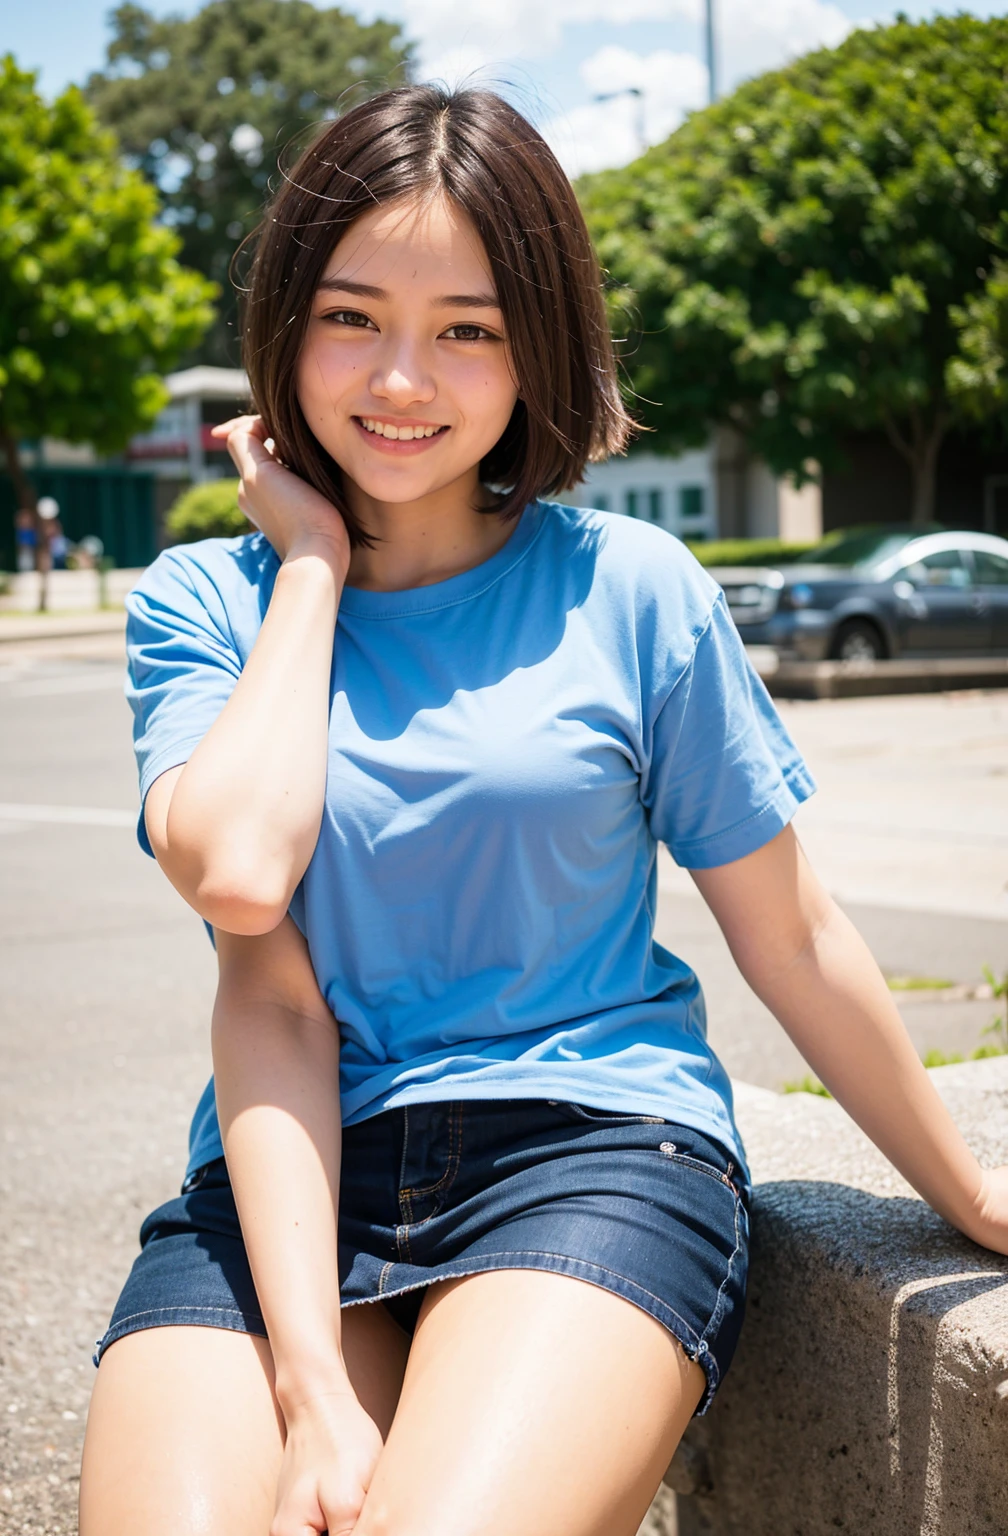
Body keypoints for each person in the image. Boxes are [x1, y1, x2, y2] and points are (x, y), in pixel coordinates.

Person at [79, 86, 1008, 1536]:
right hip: (288, 1174)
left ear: (539, 352)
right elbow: (251, 910)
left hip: (588, 1151)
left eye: (469, 328)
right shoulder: (210, 601)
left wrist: (976, 1197)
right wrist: (313, 565)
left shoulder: (633, 589)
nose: (402, 378)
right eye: (350, 316)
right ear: (286, 323)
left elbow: (791, 931)